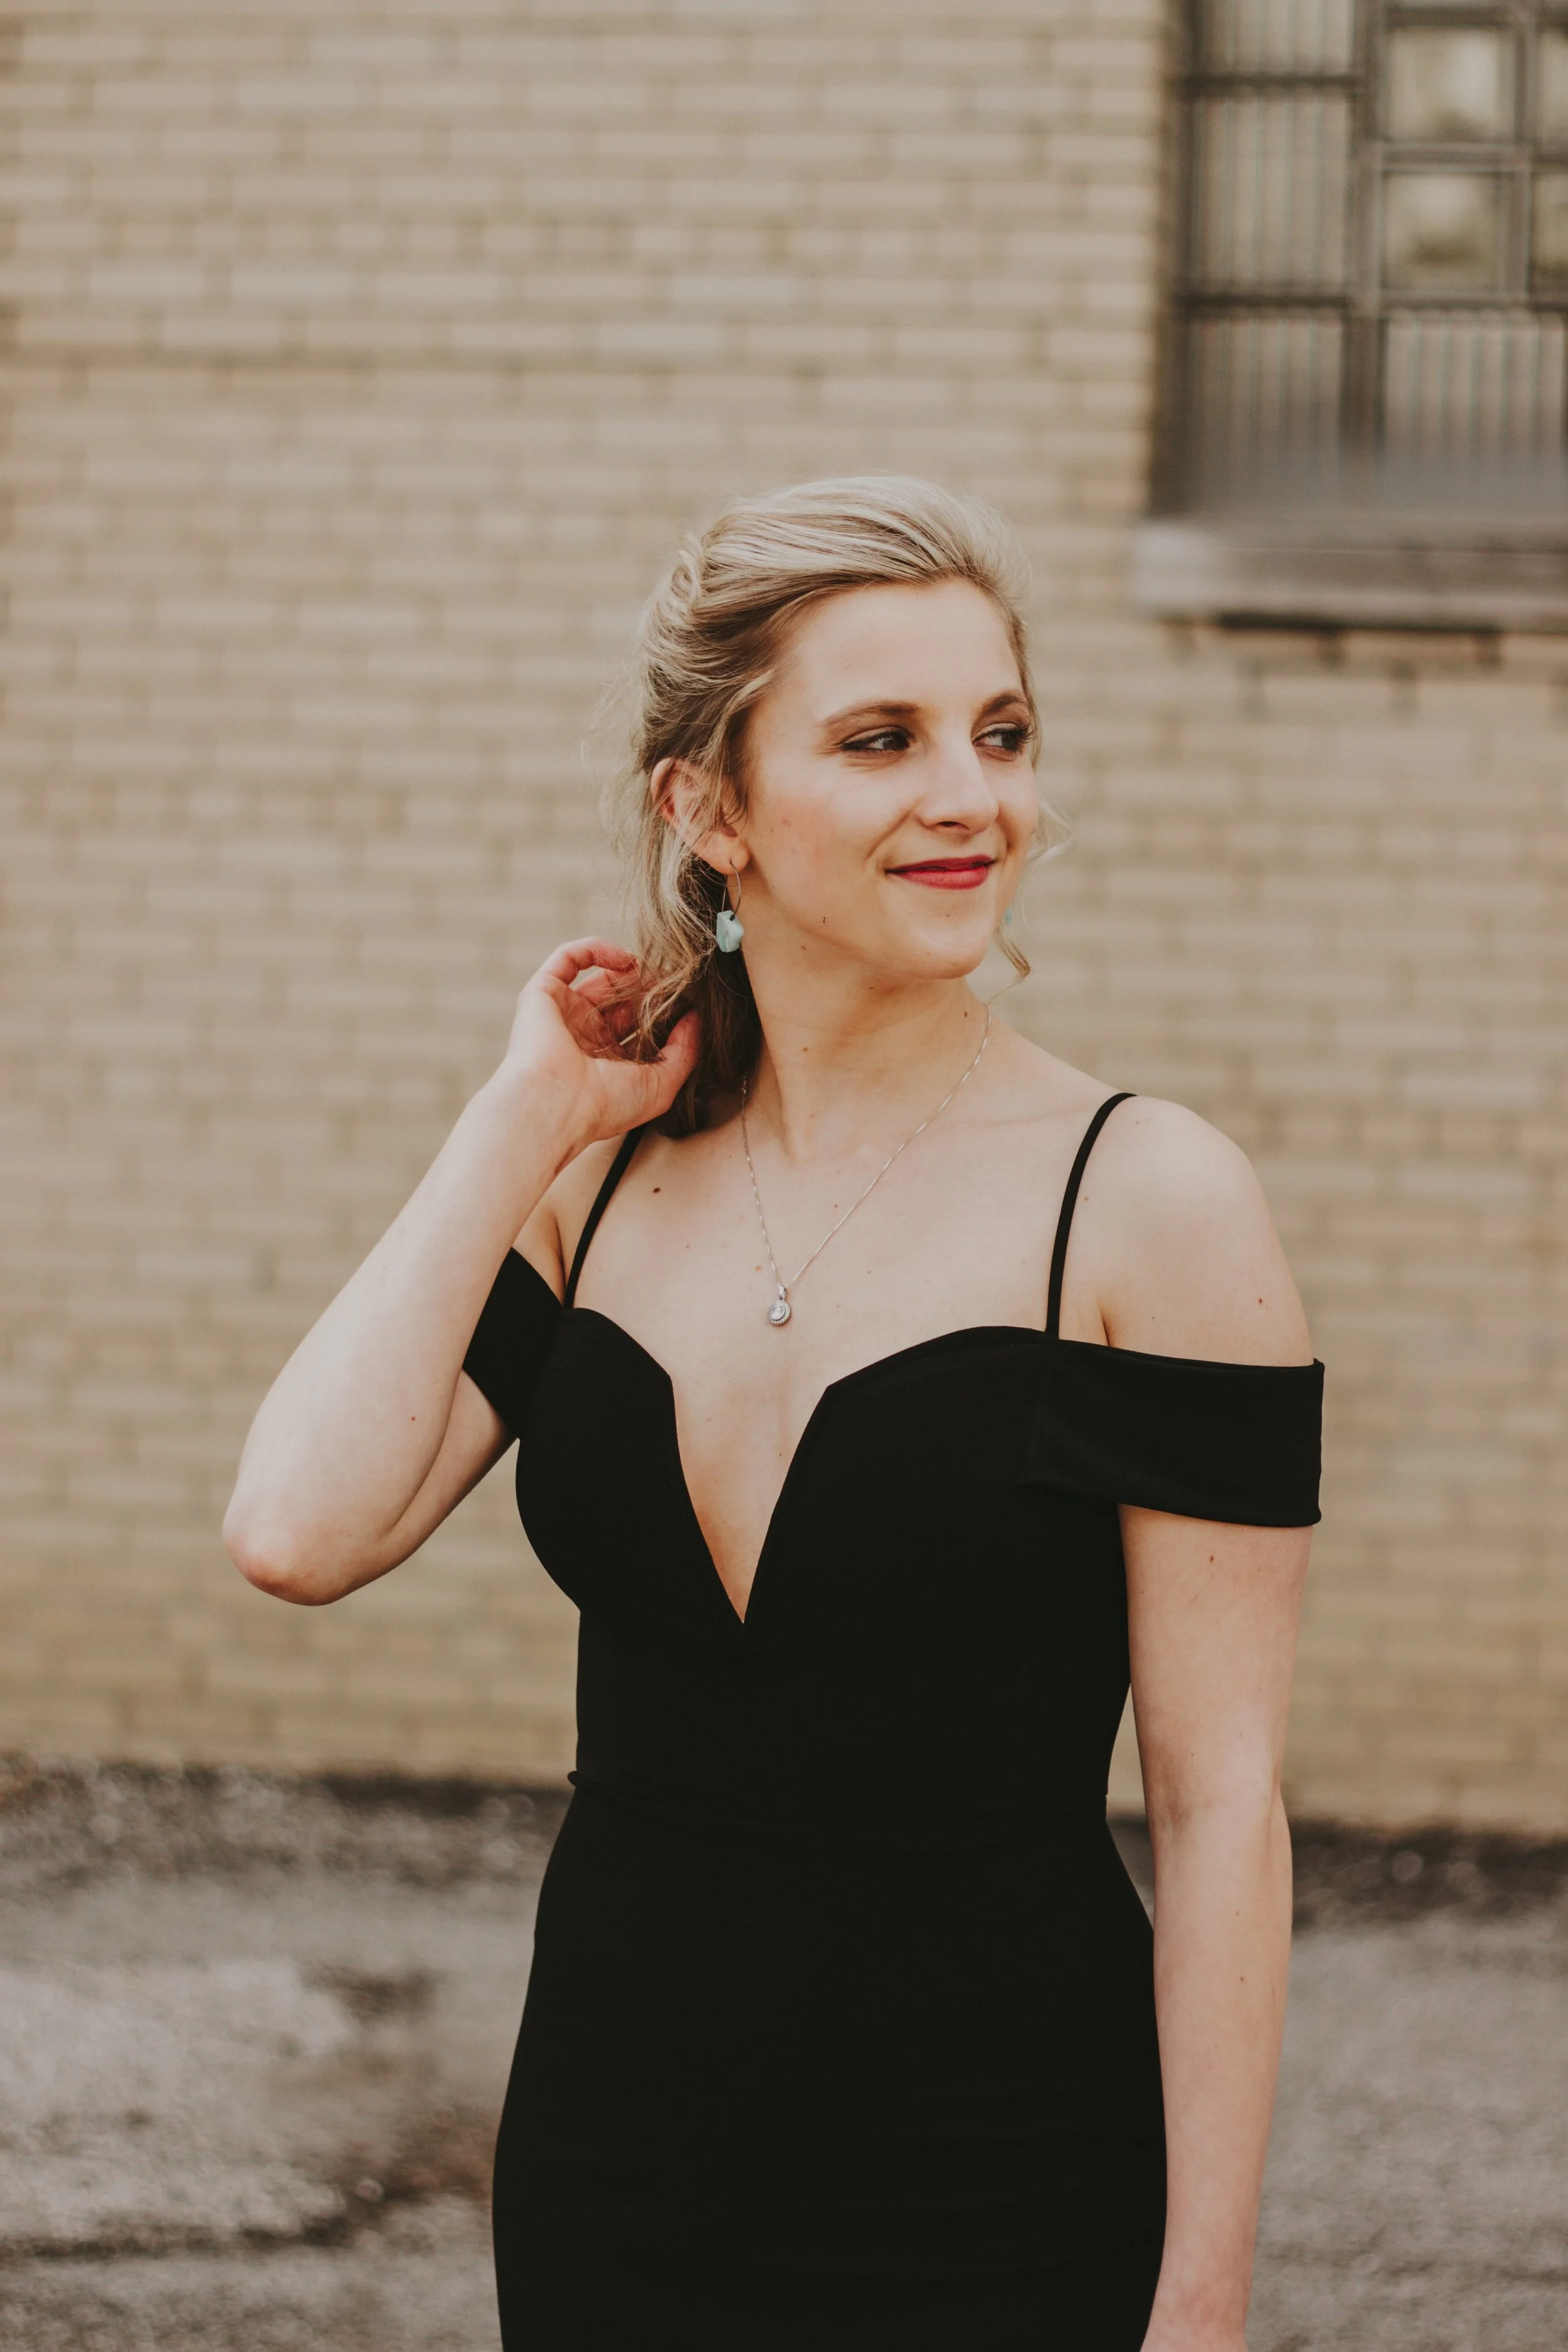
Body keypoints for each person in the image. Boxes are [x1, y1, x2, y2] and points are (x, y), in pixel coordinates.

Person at [225, 476, 1321, 2352]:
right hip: (616, 2160)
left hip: (1009, 2165)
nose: (970, 794)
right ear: (705, 810)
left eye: (1002, 733)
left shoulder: (1145, 1200)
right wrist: (520, 1120)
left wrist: (1198, 2299)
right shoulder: (595, 1175)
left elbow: (1220, 1804)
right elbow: (299, 1531)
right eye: (880, 739)